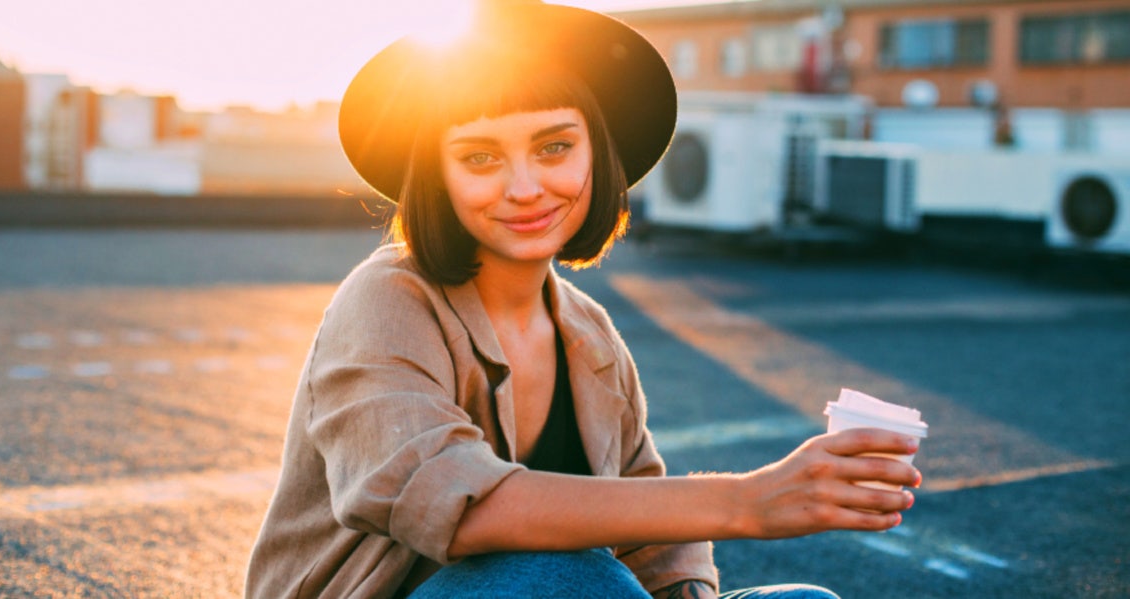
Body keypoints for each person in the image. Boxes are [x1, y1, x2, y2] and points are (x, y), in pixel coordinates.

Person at [244, 3, 921, 598]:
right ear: (437, 175)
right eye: (479, 157)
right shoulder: (388, 298)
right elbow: (456, 504)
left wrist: (687, 589)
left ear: (597, 155)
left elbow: (647, 522)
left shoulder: (589, 332)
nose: (526, 186)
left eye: (555, 146)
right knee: (565, 575)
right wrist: (748, 500)